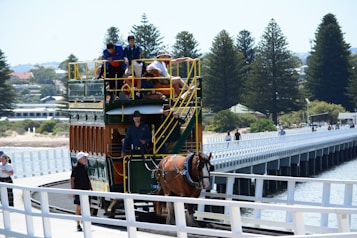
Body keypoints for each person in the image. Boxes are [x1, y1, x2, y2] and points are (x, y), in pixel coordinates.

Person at [70, 151, 92, 232]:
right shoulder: (76, 168)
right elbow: (72, 179)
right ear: (80, 159)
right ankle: (78, 224)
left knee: (88, 206)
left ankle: (85, 222)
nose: (85, 159)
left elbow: (87, 177)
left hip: (86, 189)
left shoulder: (85, 167)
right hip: (79, 189)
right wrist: (73, 190)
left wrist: (91, 187)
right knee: (79, 207)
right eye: (84, 158)